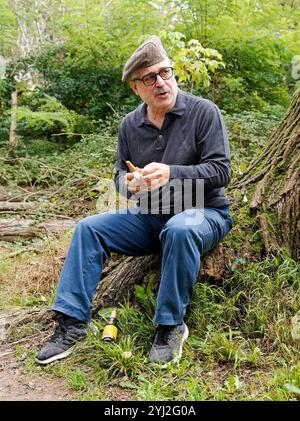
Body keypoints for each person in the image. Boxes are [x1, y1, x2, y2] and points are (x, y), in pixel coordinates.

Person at [36, 36, 232, 367]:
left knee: (180, 229)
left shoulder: (203, 112)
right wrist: (129, 185)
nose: (161, 82)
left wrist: (172, 173)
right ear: (136, 89)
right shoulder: (130, 124)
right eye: (150, 78)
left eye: (165, 72)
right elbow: (118, 175)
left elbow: (220, 170)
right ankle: (71, 325)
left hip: (203, 212)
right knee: (88, 228)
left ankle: (169, 326)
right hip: (150, 216)